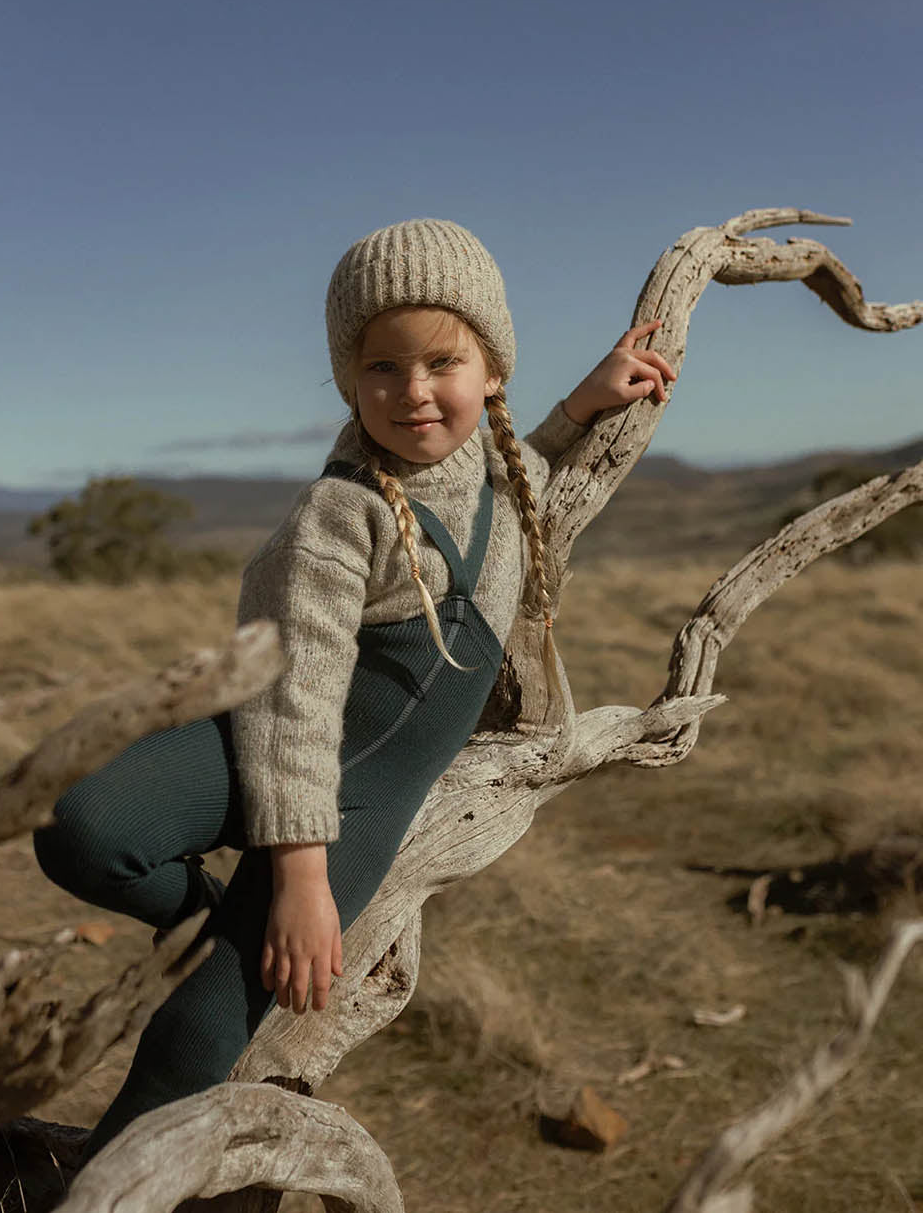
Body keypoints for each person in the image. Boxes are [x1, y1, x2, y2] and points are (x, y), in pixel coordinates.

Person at [34, 218, 676, 1159]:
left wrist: (583, 402)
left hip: (367, 790)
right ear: (349, 380)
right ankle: (211, 920)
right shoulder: (341, 515)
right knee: (80, 828)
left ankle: (108, 1180)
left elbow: (513, 468)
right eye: (381, 368)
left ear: (492, 370)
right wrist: (296, 878)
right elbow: (295, 698)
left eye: (442, 362)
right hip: (284, 736)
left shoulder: (500, 465)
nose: (413, 392)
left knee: (206, 1024)